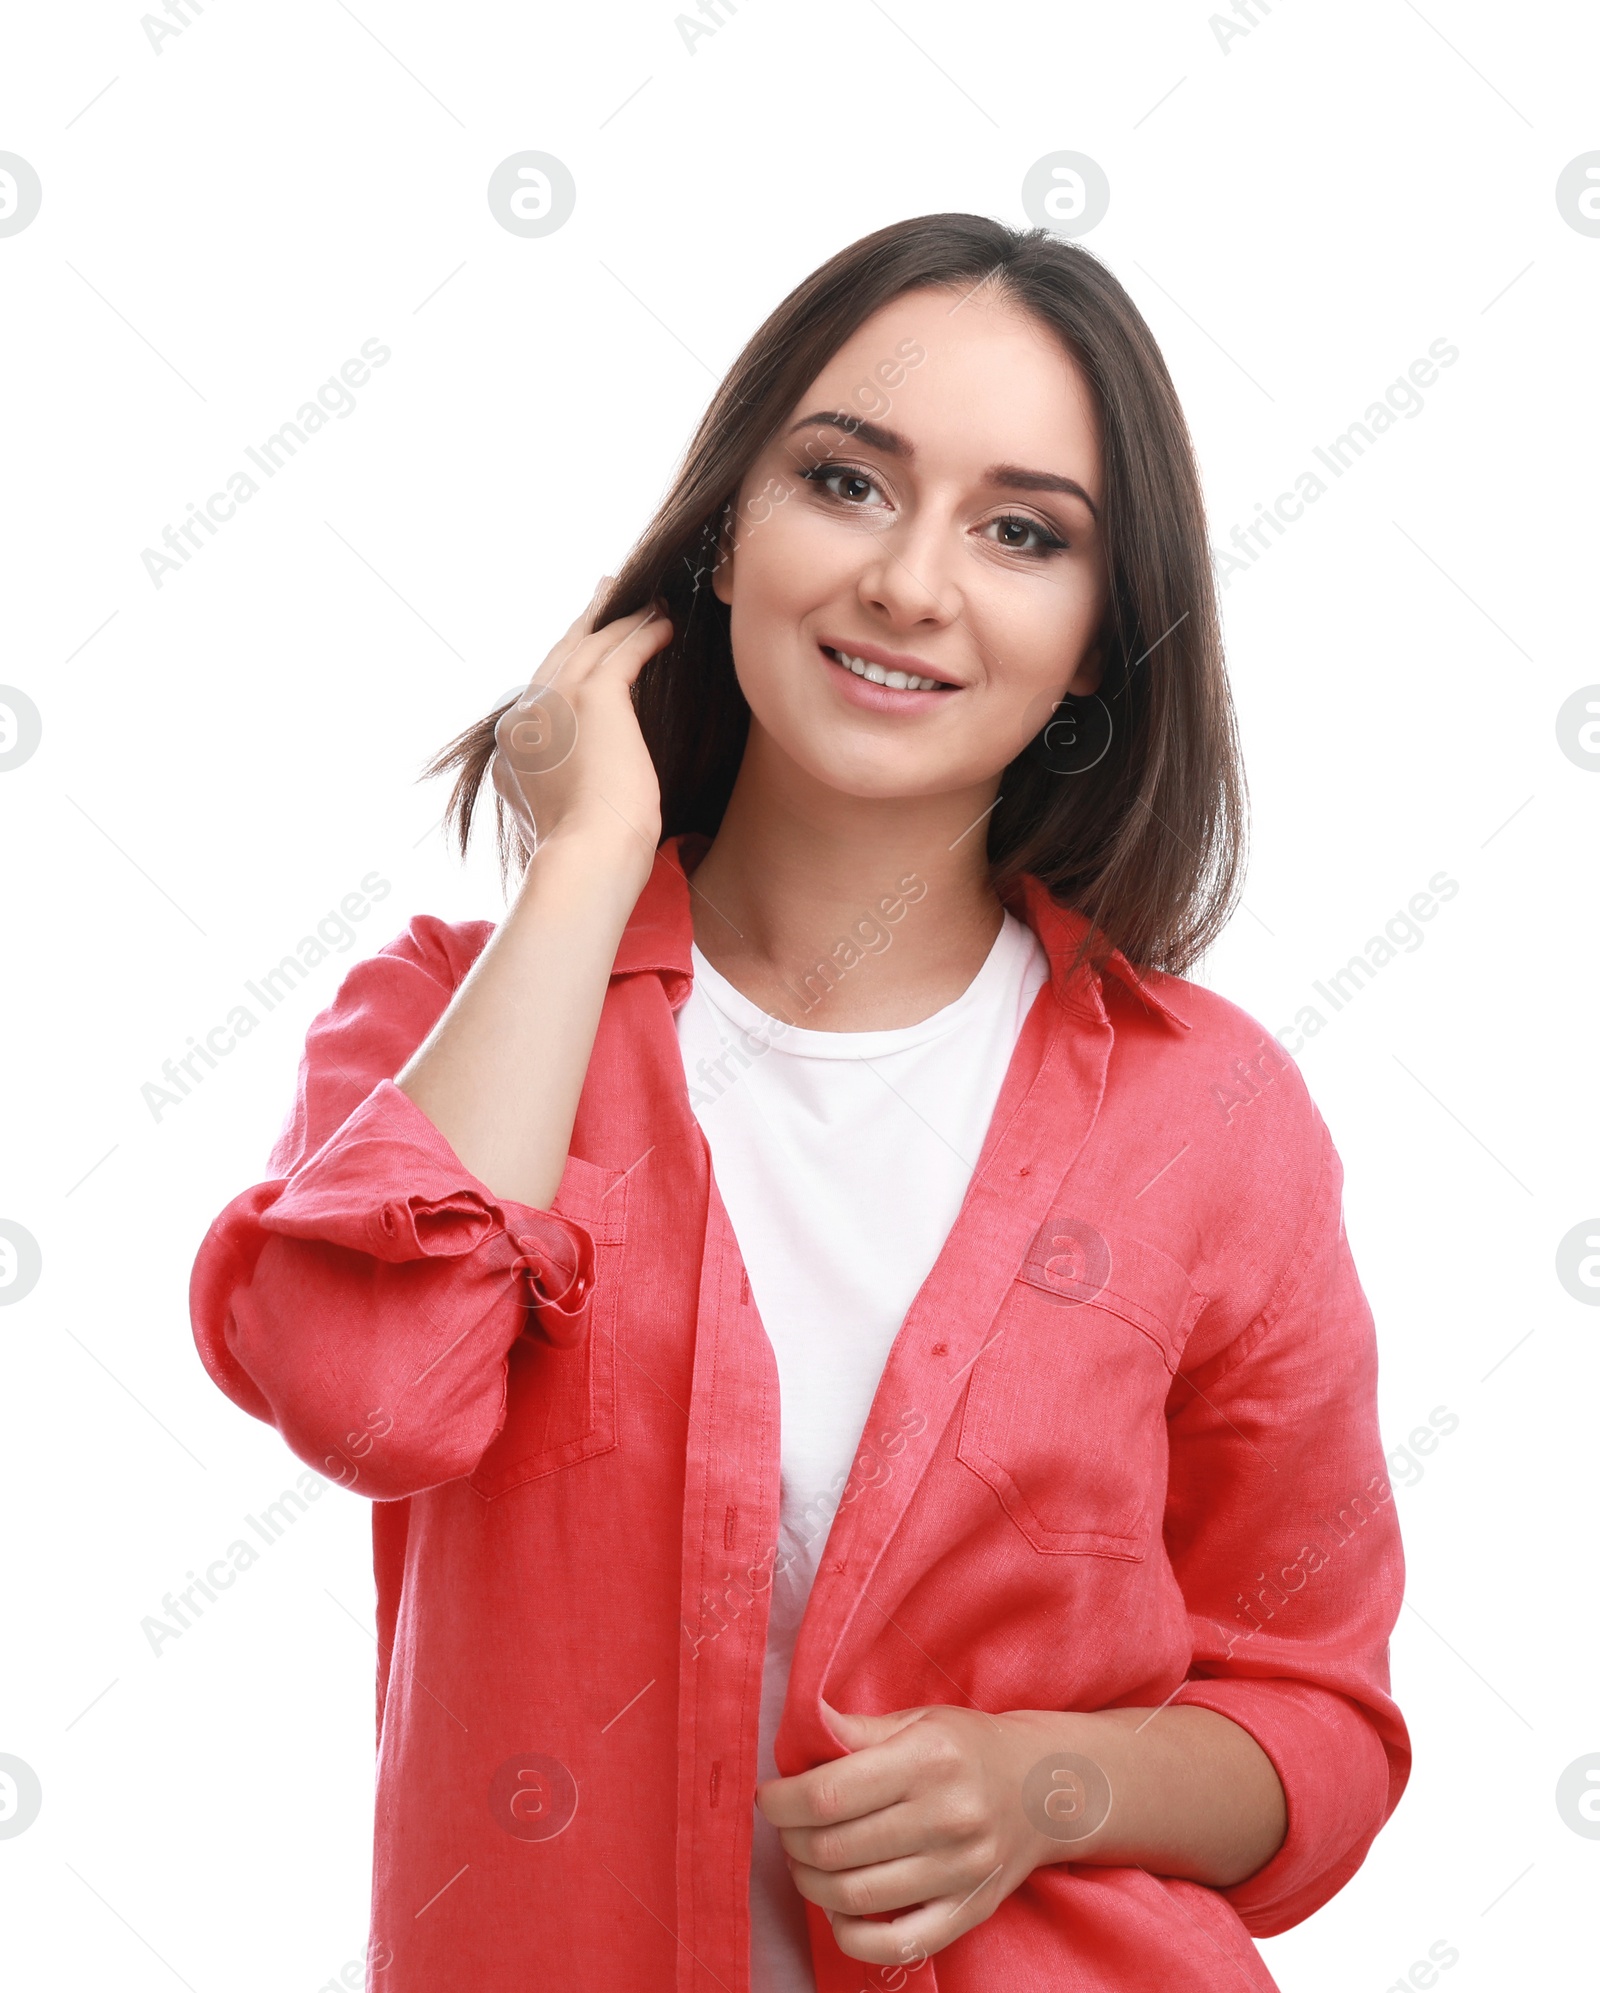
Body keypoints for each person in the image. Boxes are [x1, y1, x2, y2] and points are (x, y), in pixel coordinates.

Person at [189, 212, 1409, 1992]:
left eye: (1020, 531)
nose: (912, 584)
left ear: (1094, 643)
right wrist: (588, 857)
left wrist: (1044, 1786)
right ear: (723, 539)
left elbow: (1320, 1723)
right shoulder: (452, 1013)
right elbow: (369, 1400)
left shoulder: (1212, 1120)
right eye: (846, 482)